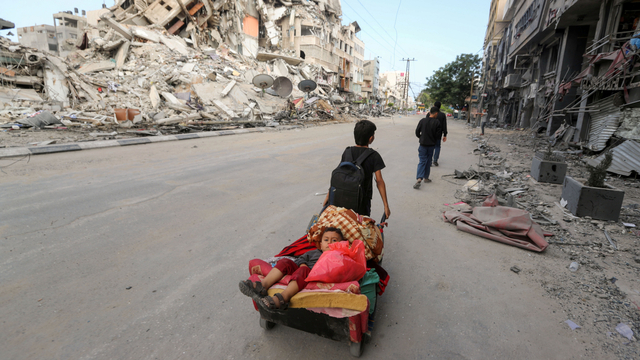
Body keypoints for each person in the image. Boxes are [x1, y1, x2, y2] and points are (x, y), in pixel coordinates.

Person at [238, 227, 344, 310]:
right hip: (300, 271)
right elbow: (299, 259)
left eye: (334, 240)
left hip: (312, 275)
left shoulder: (339, 256)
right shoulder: (313, 253)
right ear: (320, 245)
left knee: (303, 270)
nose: (329, 242)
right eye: (326, 240)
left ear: (341, 244)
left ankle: (283, 298)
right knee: (285, 262)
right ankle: (263, 286)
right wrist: (302, 264)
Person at [323, 120, 391, 219]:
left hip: (341, 198)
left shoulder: (347, 151)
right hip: (362, 202)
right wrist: (386, 205)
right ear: (371, 138)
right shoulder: (374, 155)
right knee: (360, 227)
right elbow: (379, 181)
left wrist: (328, 195)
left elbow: (340, 173)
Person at [414, 107, 442, 189]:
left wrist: (421, 137)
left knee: (422, 161)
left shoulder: (422, 121)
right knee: (428, 161)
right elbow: (438, 136)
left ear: (430, 112)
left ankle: (419, 178)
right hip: (431, 145)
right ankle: (426, 178)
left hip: (422, 144)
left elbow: (417, 132)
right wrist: (433, 139)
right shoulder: (437, 122)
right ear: (436, 113)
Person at [432, 101, 448, 167]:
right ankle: (435, 160)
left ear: (434, 105)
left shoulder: (430, 114)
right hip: (438, 134)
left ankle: (429, 161)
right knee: (437, 147)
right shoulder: (442, 115)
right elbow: (444, 125)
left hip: (430, 134)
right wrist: (445, 135)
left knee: (430, 147)